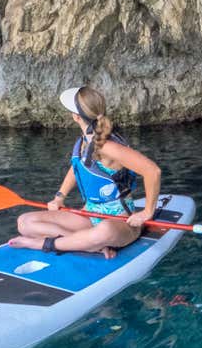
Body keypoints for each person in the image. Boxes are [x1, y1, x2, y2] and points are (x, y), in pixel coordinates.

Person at [9, 86, 162, 258]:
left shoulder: (109, 147)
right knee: (25, 222)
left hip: (120, 221)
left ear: (75, 117)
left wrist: (147, 212)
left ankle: (44, 244)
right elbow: (78, 168)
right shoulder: (84, 142)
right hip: (90, 214)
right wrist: (60, 196)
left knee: (104, 232)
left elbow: (152, 171)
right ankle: (88, 245)